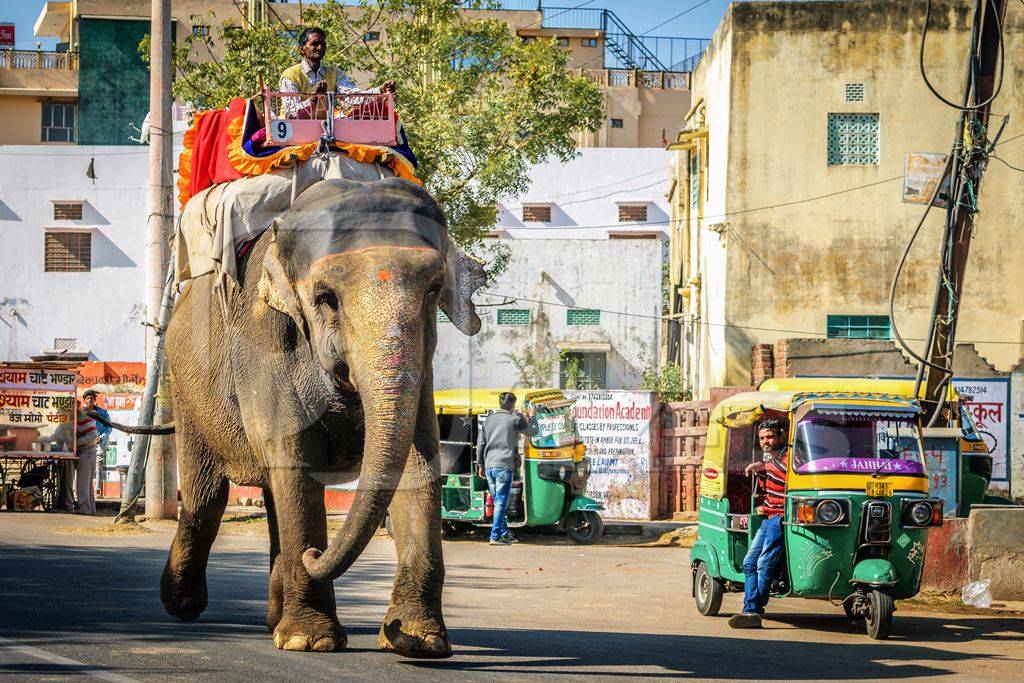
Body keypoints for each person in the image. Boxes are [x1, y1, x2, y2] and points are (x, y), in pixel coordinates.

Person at [729, 418, 788, 629]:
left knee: (763, 564)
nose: (766, 441)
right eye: (762, 438)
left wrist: (763, 464)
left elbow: (789, 471)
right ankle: (752, 609)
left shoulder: (790, 457)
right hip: (767, 518)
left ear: (781, 436)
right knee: (748, 562)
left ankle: (752, 610)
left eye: (770, 436)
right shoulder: (768, 459)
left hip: (781, 519)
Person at [279, 27, 396, 119]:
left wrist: (380, 90)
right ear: (302, 49)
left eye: (323, 45)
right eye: (315, 44)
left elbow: (353, 97)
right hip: (293, 132)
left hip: (324, 130)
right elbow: (291, 113)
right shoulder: (290, 75)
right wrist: (313, 99)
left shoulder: (334, 73)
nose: (320, 48)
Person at [475, 392, 537, 546]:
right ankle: (495, 536)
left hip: (489, 465)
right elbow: (533, 431)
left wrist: (480, 465)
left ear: (500, 403)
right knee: (501, 502)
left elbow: (480, 445)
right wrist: (533, 416)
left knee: (497, 501)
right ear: (513, 405)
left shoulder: (489, 420)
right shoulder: (514, 419)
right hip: (504, 466)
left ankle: (504, 533)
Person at [83, 389, 111, 498]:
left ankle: (98, 491)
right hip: (85, 443)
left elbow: (109, 427)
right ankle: (85, 491)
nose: (90, 400)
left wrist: (101, 437)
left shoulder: (102, 413)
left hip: (99, 442)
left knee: (99, 465)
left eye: (91, 398)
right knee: (85, 467)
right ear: (85, 400)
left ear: (94, 400)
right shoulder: (82, 413)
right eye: (88, 399)